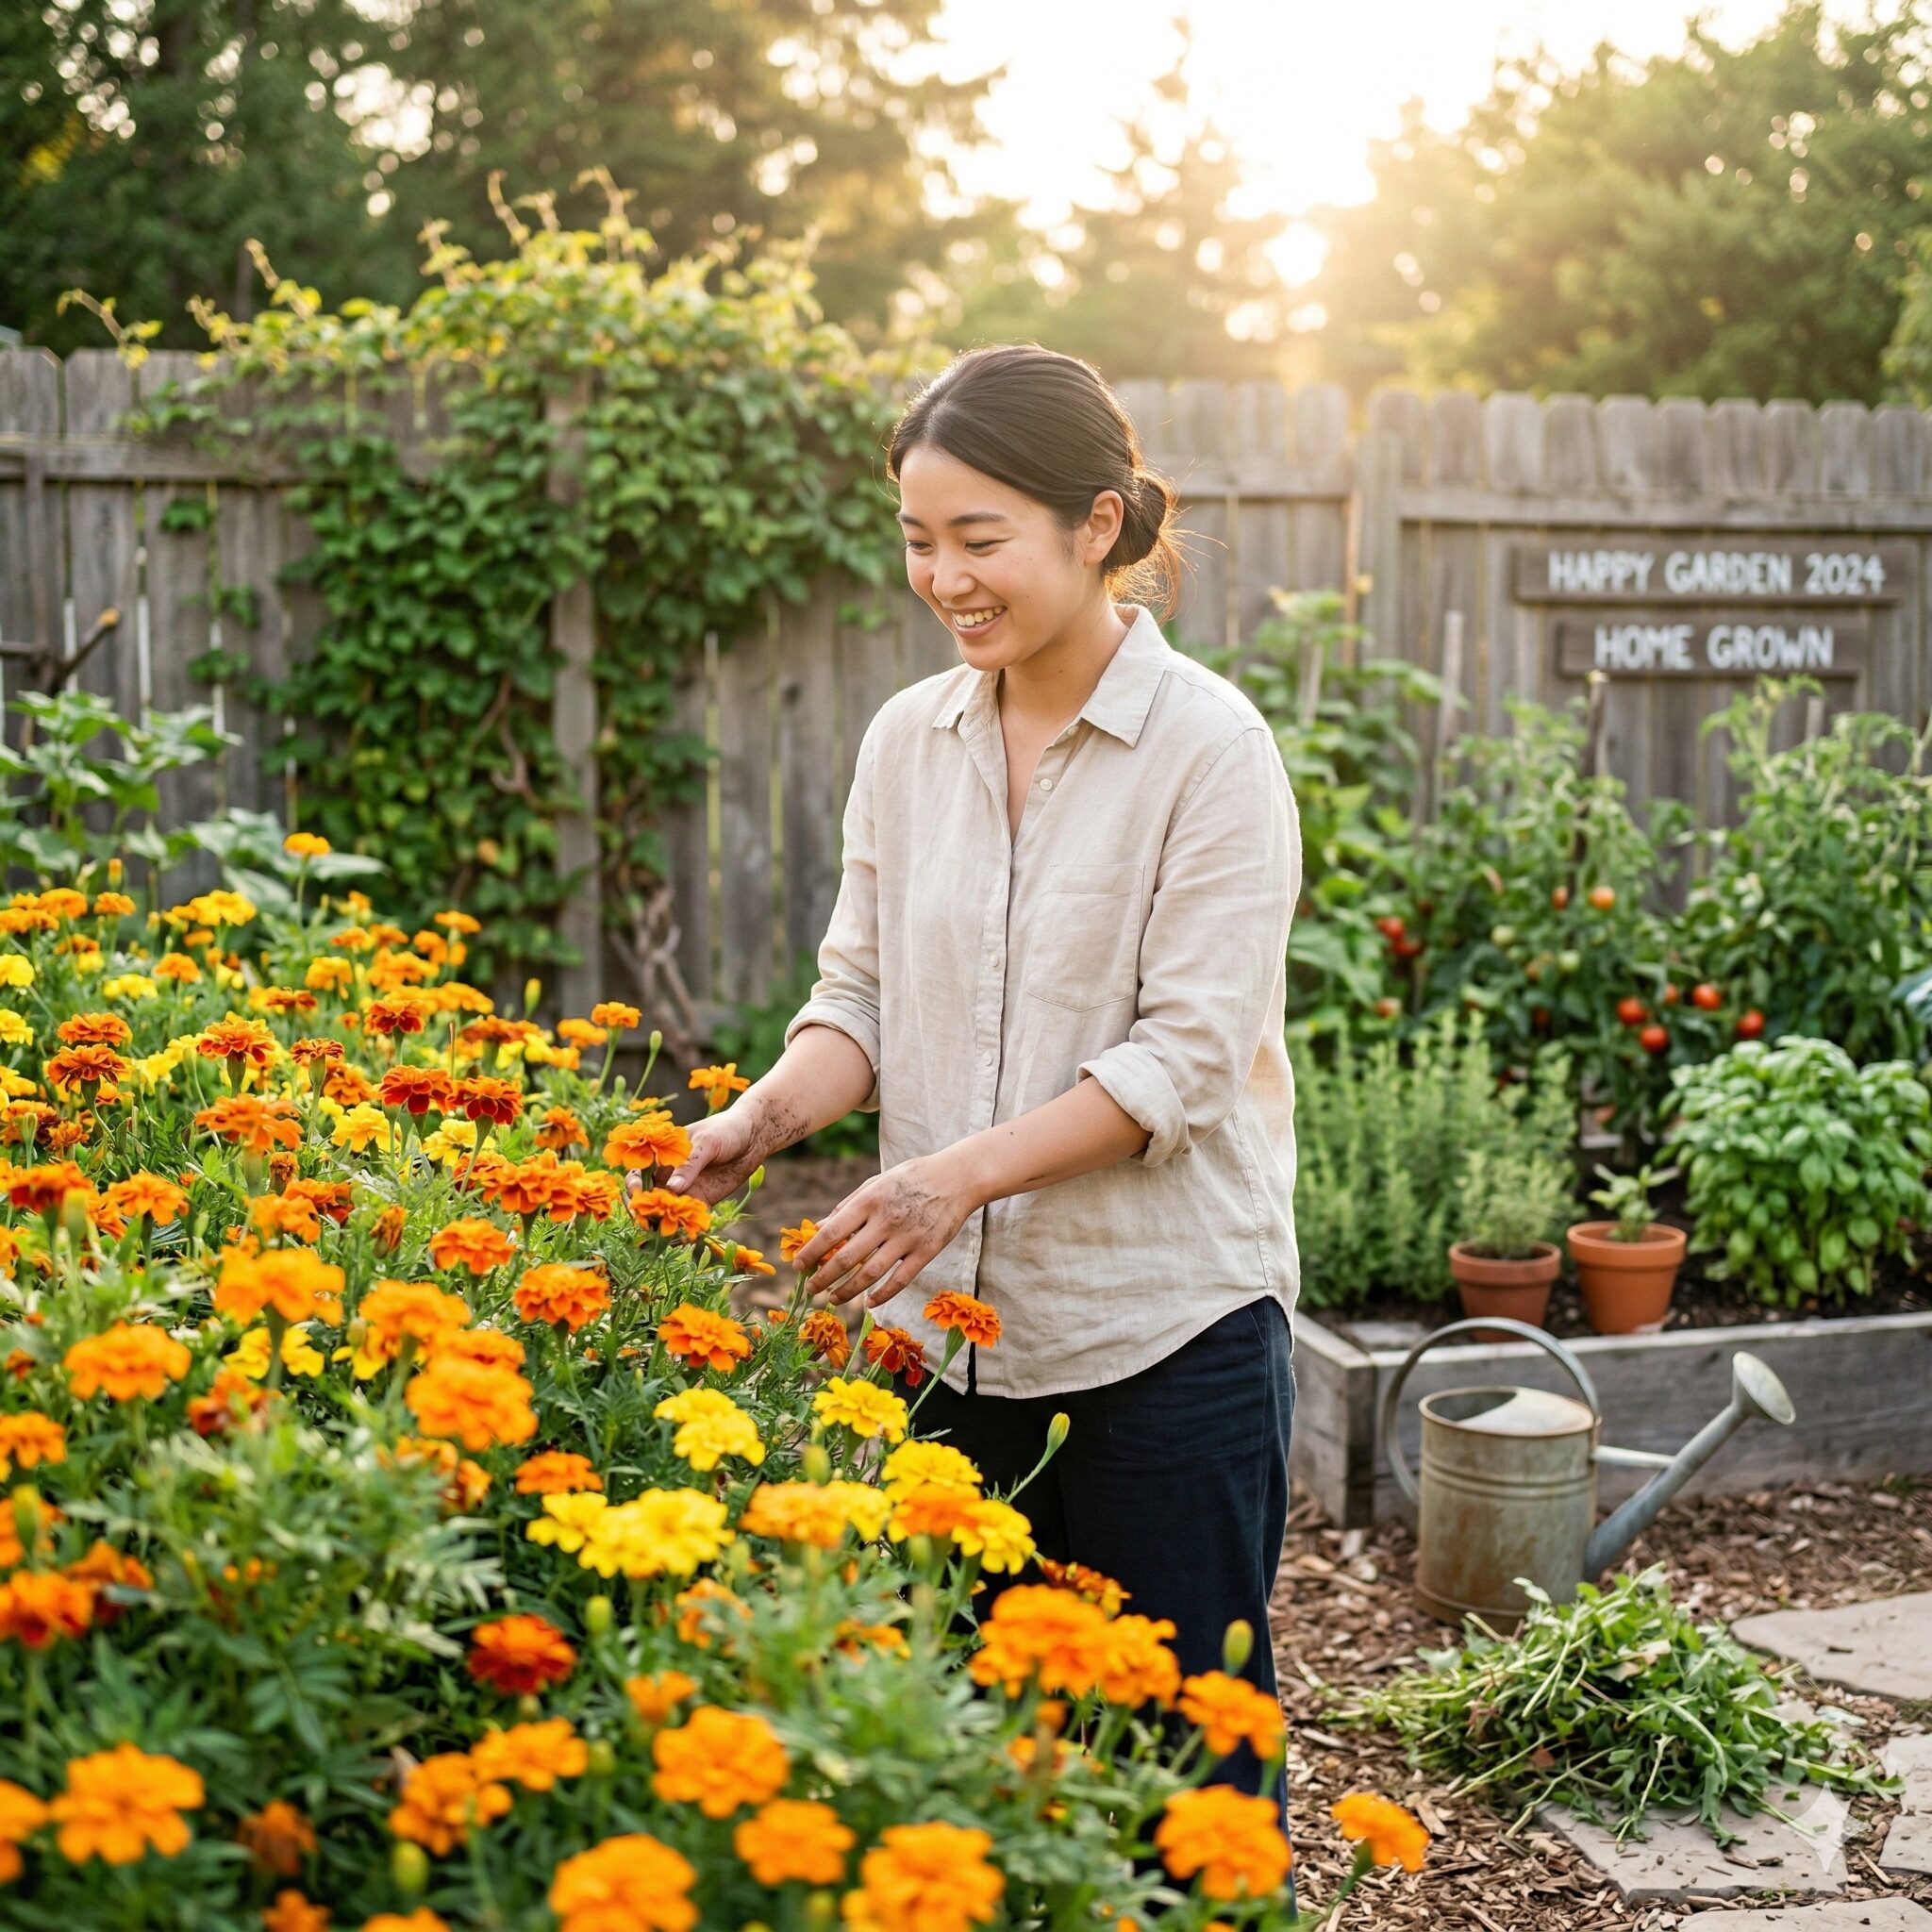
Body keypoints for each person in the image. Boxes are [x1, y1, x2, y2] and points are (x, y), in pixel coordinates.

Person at [649, 342, 1302, 1817]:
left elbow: (1182, 1064)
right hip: (941, 1352)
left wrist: (955, 1174)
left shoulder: (1212, 751)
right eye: (918, 539)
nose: (945, 576)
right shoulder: (908, 740)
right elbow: (859, 997)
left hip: (1162, 1337)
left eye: (980, 539)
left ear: (1099, 526)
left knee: (1186, 1777)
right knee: (972, 1765)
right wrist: (761, 1119)